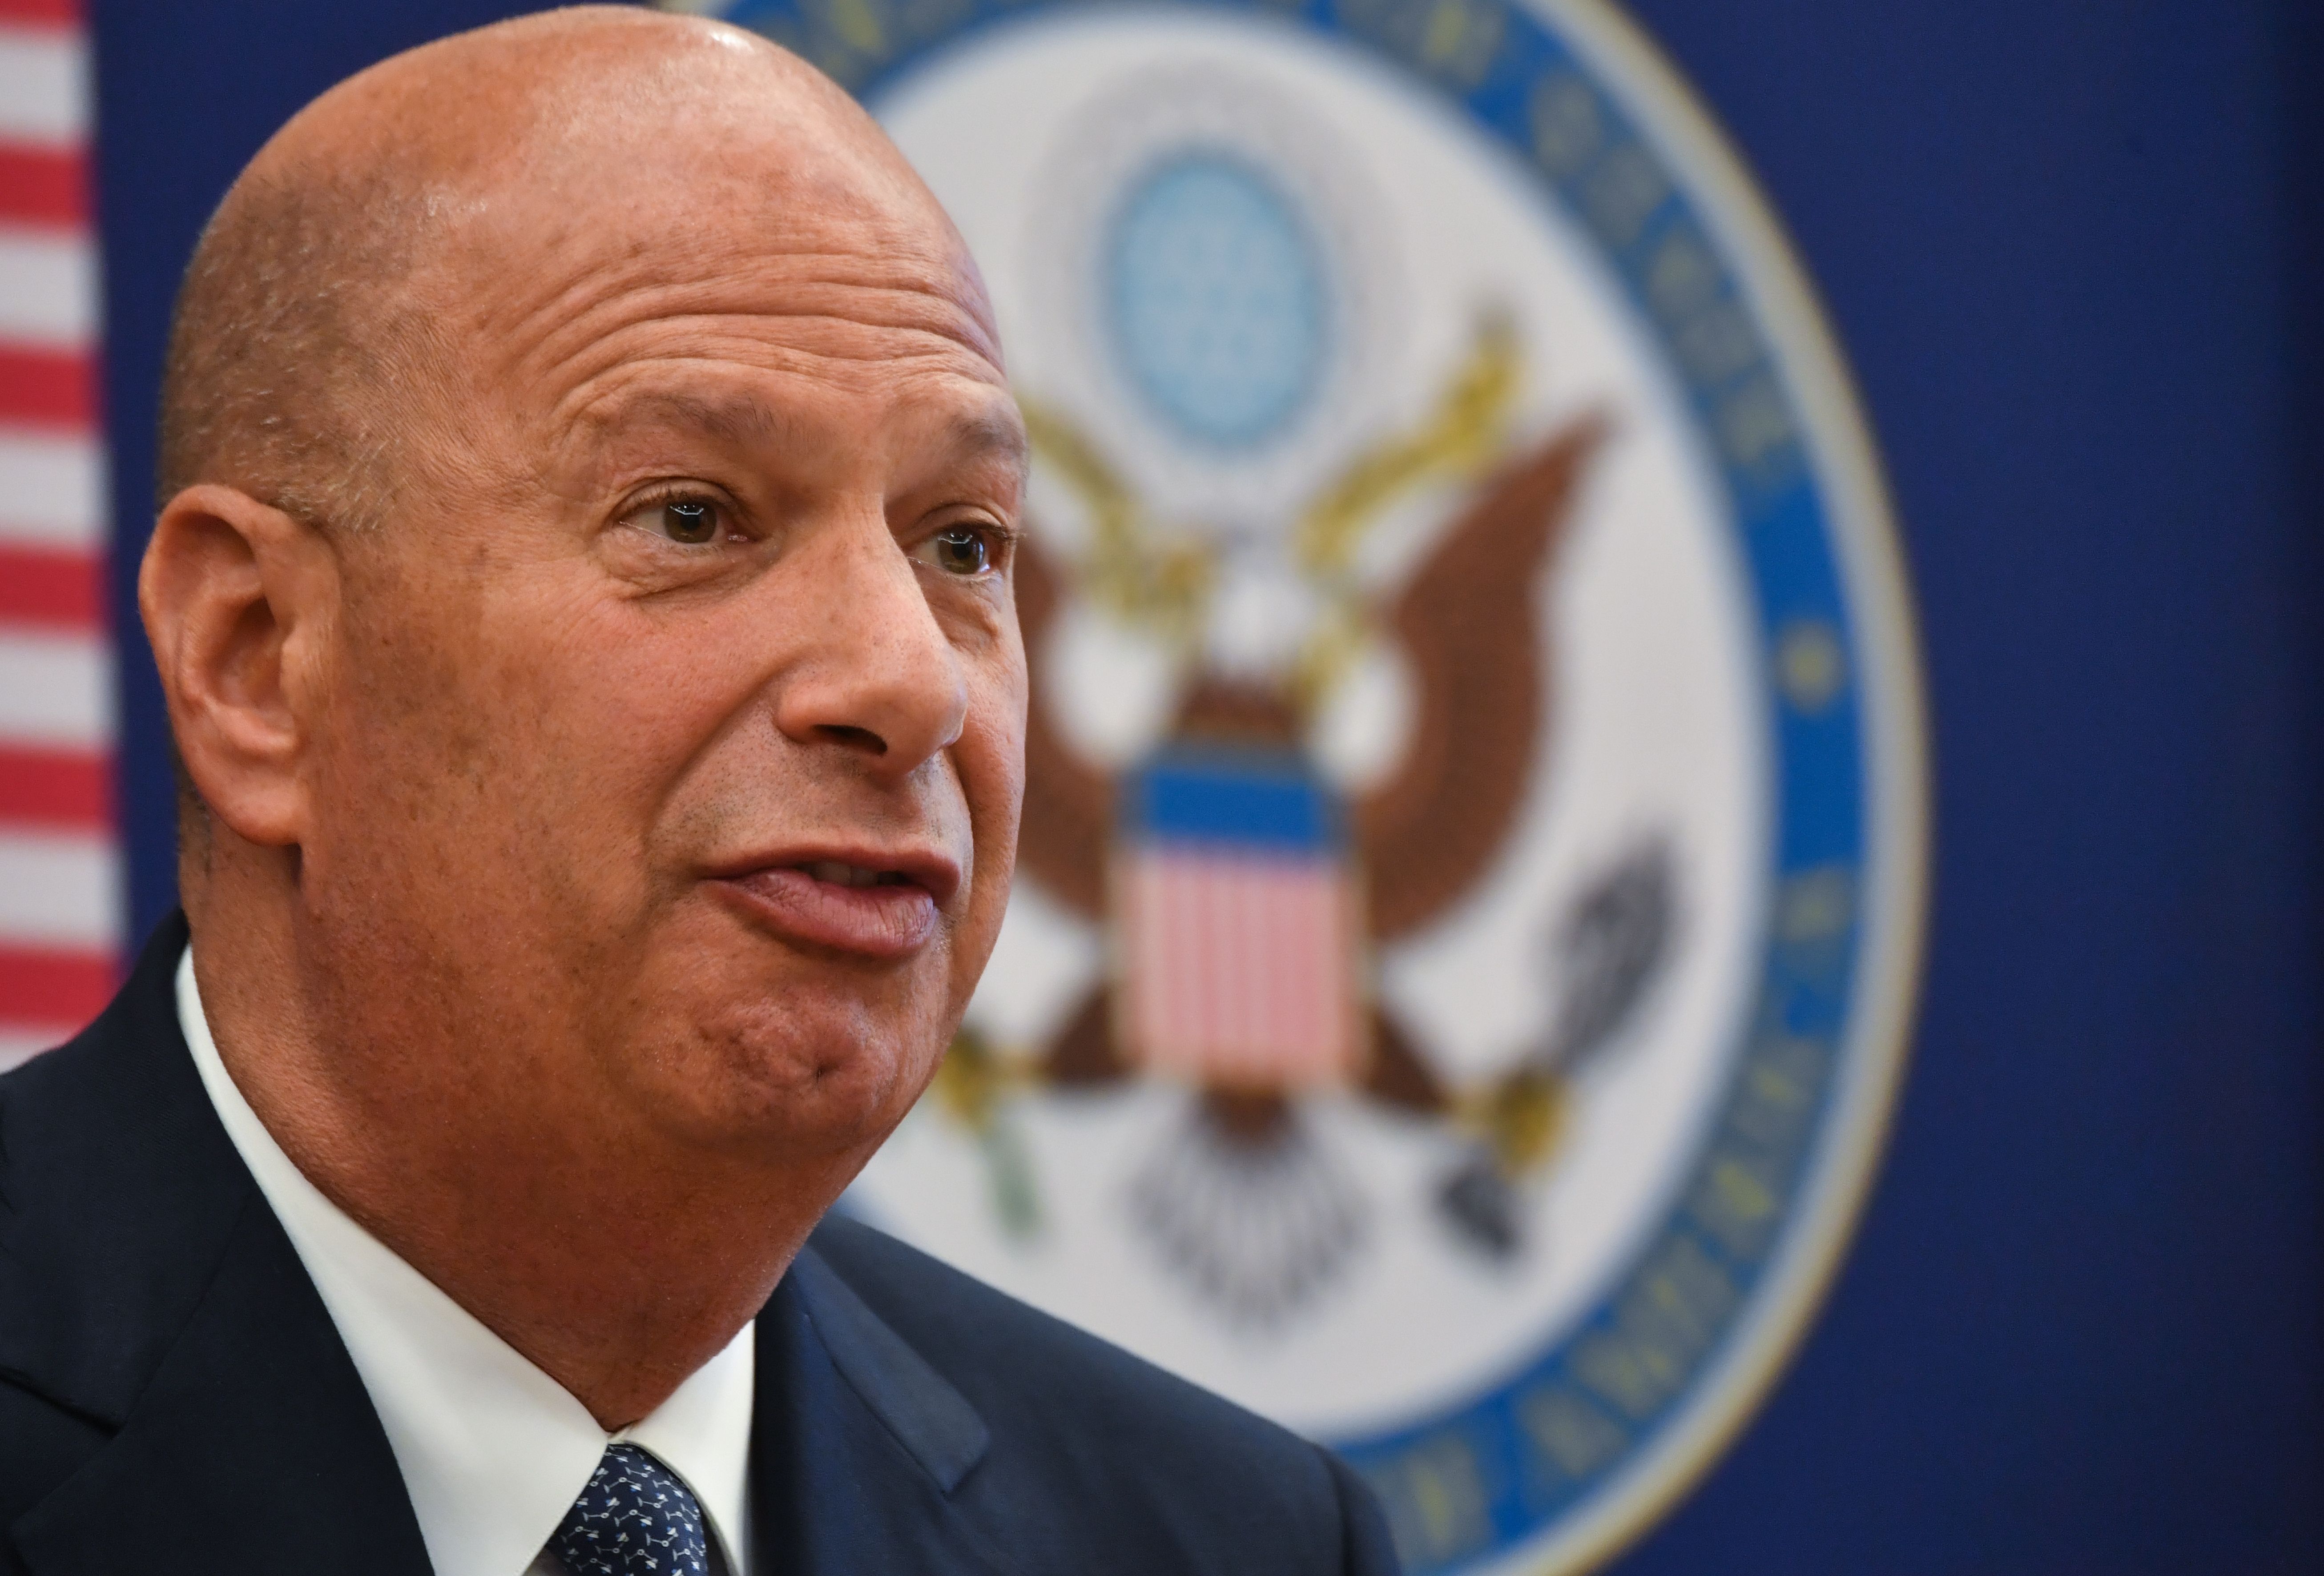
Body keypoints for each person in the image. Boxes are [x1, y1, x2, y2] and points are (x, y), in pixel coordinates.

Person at [0, 9, 1400, 1573]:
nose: (910, 680)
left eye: (962, 545)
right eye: (693, 517)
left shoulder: (1231, 1542)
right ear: (258, 662)